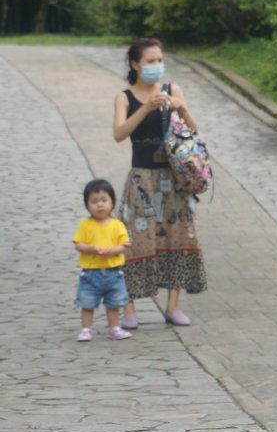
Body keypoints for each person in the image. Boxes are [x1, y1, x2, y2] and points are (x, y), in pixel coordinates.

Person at [113, 38, 207, 329]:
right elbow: (118, 134)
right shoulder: (125, 97)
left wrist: (181, 108)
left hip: (173, 180)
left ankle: (172, 307)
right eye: (150, 61)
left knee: (178, 238)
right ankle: (129, 310)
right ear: (135, 64)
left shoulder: (172, 89)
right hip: (142, 178)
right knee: (134, 241)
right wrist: (145, 109)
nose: (156, 66)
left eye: (159, 60)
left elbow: (192, 130)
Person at [73, 179, 131, 342]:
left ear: (112, 202)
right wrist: (91, 249)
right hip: (91, 273)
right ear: (87, 205)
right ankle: (86, 329)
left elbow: (124, 245)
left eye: (104, 200)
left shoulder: (117, 224)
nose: (100, 205)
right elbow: (78, 244)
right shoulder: (85, 225)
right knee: (87, 302)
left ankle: (113, 327)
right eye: (94, 201)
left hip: (114, 272)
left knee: (114, 302)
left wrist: (111, 251)